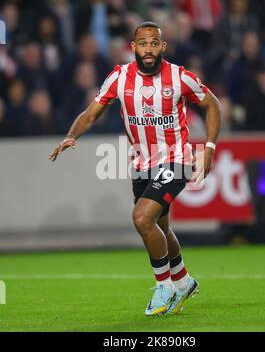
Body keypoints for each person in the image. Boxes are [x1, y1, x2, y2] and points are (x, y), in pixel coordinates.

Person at [49, 22, 221, 316]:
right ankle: (183, 280)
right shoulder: (119, 77)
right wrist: (70, 135)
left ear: (163, 47)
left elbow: (213, 104)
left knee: (142, 218)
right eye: (143, 43)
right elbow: (92, 114)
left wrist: (208, 149)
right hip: (142, 165)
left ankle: (164, 286)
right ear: (133, 47)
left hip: (176, 159)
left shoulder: (180, 77)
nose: (149, 49)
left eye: (154, 43)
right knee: (159, 228)